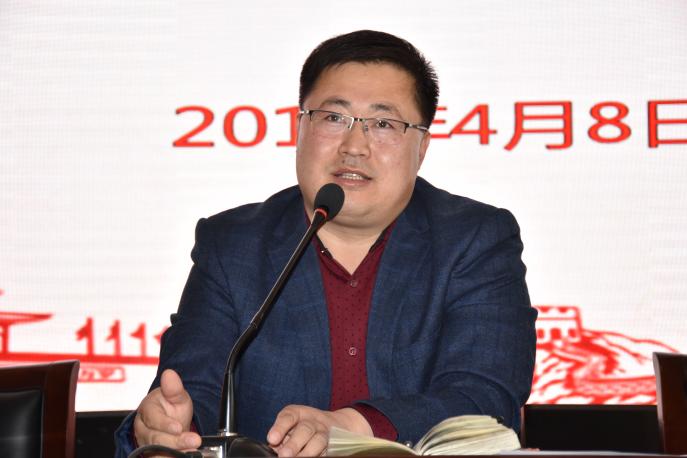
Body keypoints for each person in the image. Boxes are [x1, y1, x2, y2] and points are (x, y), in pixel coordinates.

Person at [115, 30, 537, 457]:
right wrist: (170, 429)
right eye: (334, 118)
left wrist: (348, 425)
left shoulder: (474, 239)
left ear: (422, 146)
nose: (354, 146)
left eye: (383, 124)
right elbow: (192, 389)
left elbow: (484, 396)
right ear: (300, 126)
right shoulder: (233, 245)